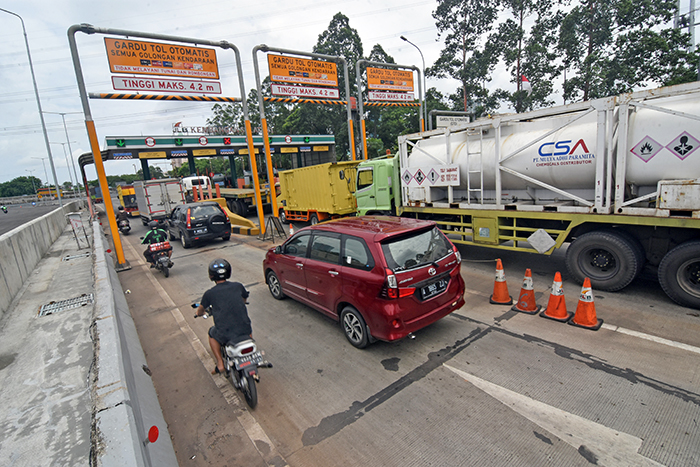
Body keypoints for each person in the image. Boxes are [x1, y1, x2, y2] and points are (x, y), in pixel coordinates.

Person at [195, 259, 252, 375]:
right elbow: (244, 298)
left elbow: (201, 309)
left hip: (225, 332)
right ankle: (250, 349)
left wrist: (198, 313)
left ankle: (220, 363)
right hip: (245, 329)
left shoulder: (209, 293)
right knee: (246, 325)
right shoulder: (238, 286)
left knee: (212, 333)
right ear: (229, 273)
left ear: (211, 276)